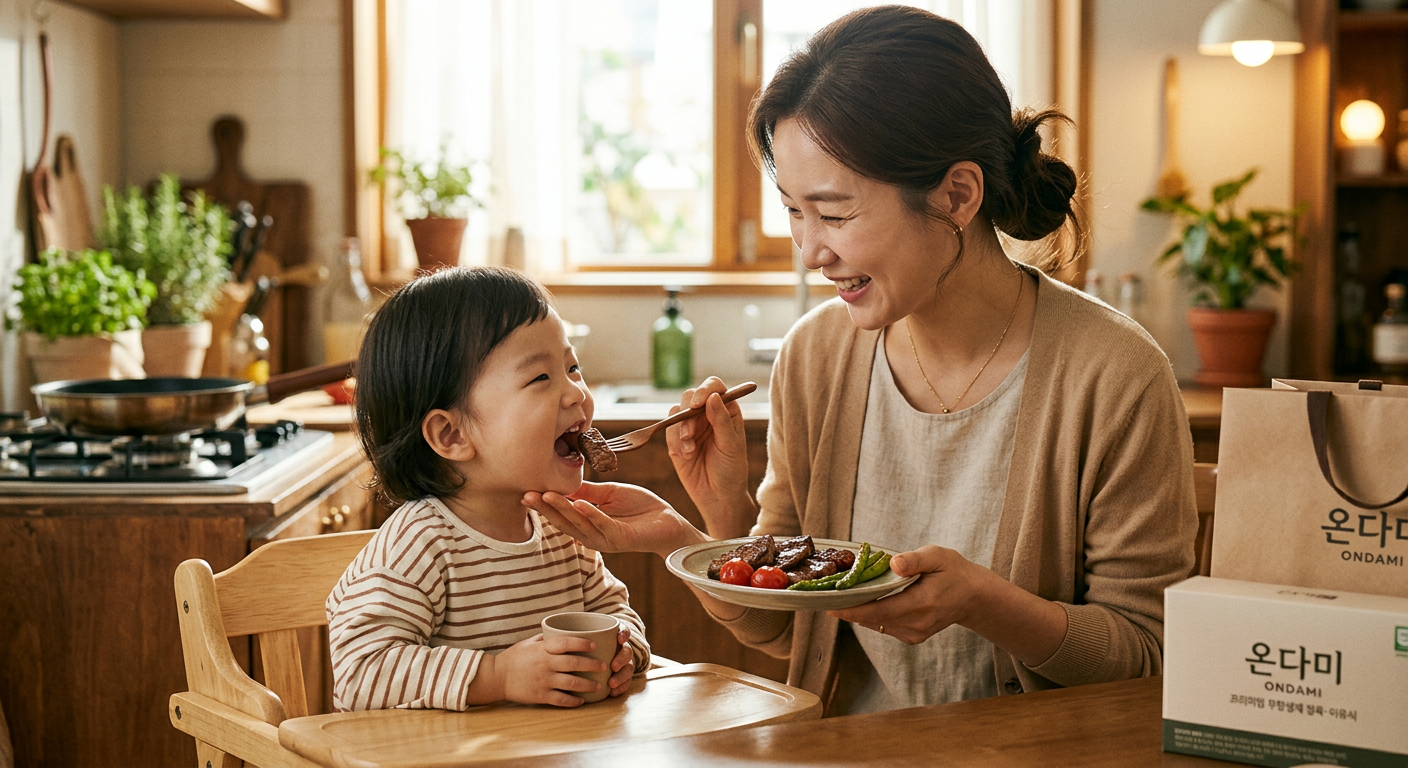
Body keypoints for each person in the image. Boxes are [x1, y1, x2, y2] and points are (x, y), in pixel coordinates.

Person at [524, 5, 1196, 715]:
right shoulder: (817, 356)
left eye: (835, 214)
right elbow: (791, 634)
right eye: (793, 212)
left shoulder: (1115, 375)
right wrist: (711, 532)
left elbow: (1148, 659)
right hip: (846, 749)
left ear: (957, 195)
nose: (811, 252)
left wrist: (985, 603)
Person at [326, 266, 650, 712]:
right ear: (453, 436)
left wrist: (625, 653)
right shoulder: (420, 545)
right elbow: (361, 675)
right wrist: (499, 676)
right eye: (541, 378)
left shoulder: (562, 530)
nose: (576, 393)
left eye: (573, 367)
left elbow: (615, 613)